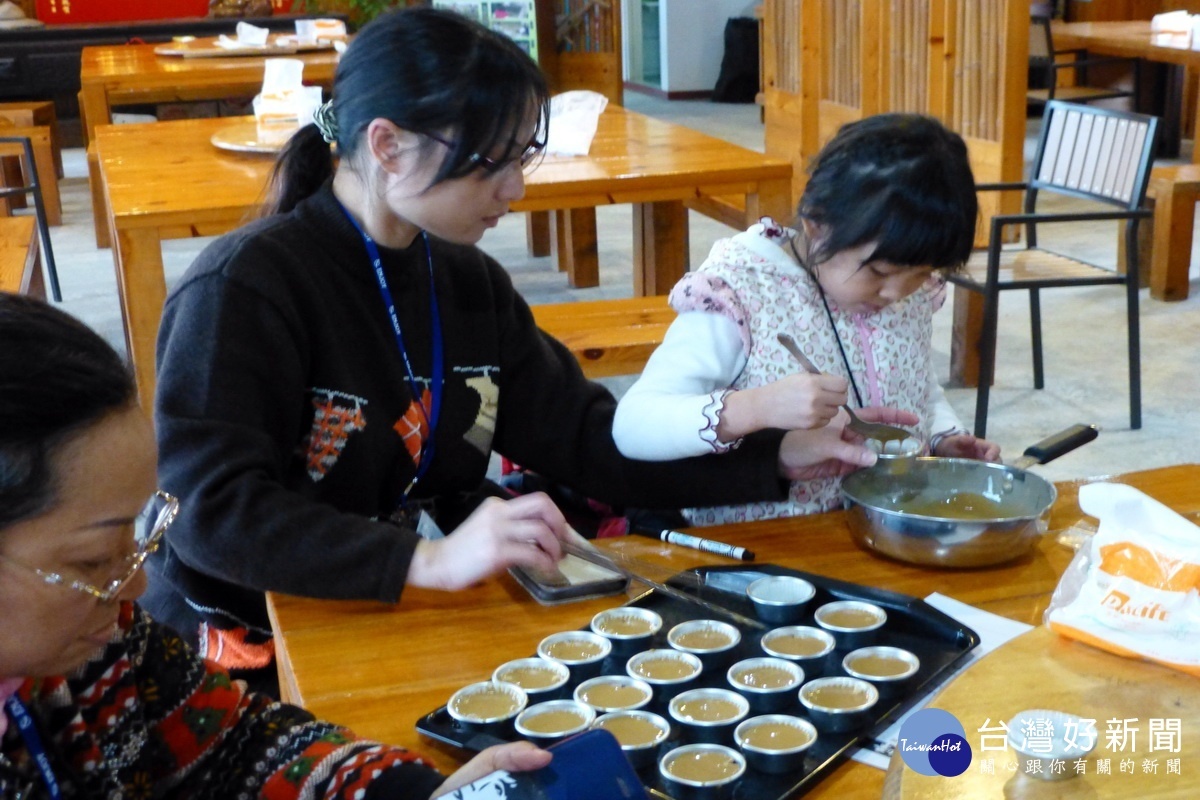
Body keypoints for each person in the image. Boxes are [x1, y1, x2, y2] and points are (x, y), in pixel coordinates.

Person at [145, 6, 910, 688]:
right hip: (249, 642)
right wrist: (428, 560)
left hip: (396, 606)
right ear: (387, 146)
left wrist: (772, 455)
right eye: (494, 161)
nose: (516, 187)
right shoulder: (245, 289)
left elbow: (589, 443)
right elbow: (210, 511)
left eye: (524, 157)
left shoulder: (466, 281)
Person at [0, 294, 552, 800]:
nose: (136, 587)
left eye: (137, 538)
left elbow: (239, 744)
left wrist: (414, 793)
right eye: (94, 561)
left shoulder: (95, 645)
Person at [613, 113, 1002, 525]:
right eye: (880, 273)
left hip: (875, 524)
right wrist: (755, 407)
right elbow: (634, 424)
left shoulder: (910, 292)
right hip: (764, 541)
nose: (896, 294)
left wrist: (944, 437)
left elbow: (916, 383)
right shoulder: (740, 291)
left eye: (922, 273)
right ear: (816, 227)